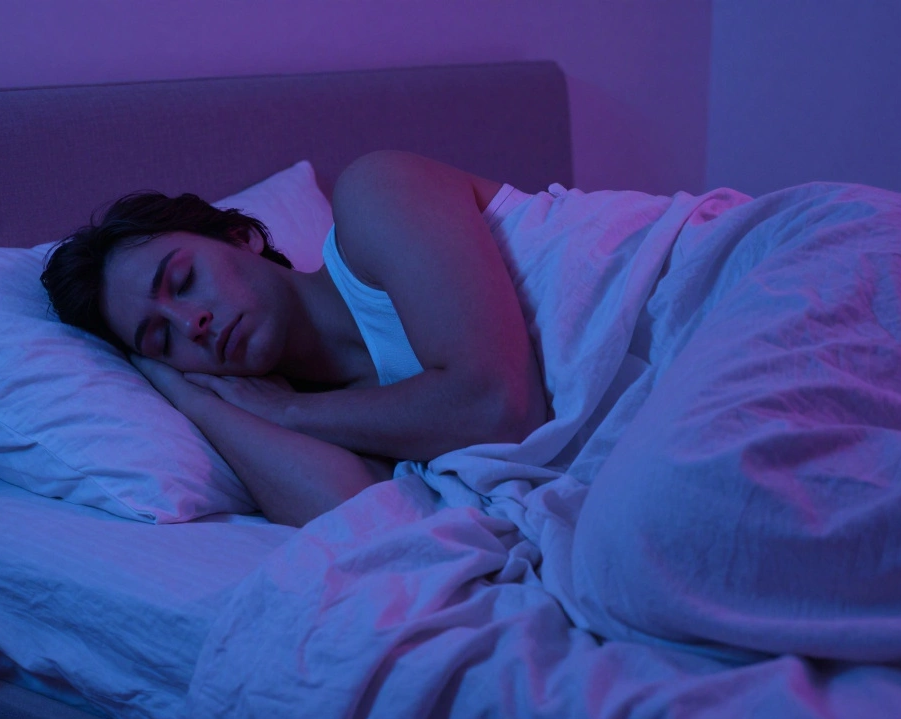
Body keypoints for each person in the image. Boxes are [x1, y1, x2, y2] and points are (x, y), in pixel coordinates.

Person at [42, 151, 548, 526]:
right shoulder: (346, 419)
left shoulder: (375, 195)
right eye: (160, 338)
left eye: (184, 281)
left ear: (242, 236)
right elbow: (364, 523)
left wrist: (285, 411)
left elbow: (500, 406)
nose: (190, 324)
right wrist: (186, 395)